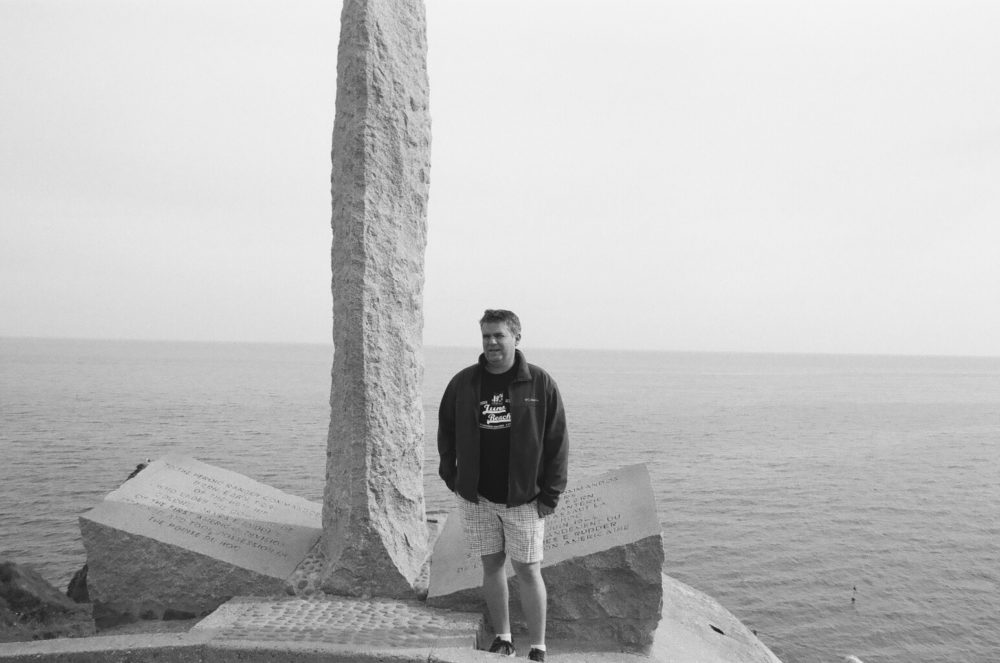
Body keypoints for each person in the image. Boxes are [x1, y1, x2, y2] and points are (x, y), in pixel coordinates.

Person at [438, 309, 569, 662]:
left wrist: (550, 494)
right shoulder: (464, 382)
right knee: (492, 565)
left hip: (525, 500)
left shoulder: (540, 383)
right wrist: (453, 478)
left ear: (516, 337)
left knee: (528, 569)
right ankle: (504, 638)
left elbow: (557, 441)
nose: (492, 342)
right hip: (477, 498)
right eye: (486, 336)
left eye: (499, 335)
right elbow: (446, 432)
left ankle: (538, 646)